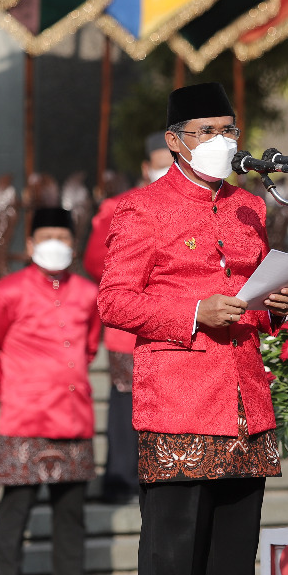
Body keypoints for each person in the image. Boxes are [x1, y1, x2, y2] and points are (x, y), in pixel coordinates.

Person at [98, 83, 288, 575]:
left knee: (235, 544)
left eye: (229, 129)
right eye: (207, 131)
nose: (222, 142)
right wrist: (192, 311)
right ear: (175, 141)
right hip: (180, 395)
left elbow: (248, 292)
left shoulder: (248, 208)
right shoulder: (140, 210)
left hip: (245, 394)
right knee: (174, 547)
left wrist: (274, 305)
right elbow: (114, 300)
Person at [0, 206, 111, 575]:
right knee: (15, 512)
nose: (56, 245)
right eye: (47, 237)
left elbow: (88, 348)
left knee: (72, 515)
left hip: (73, 415)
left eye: (64, 238)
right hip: (25, 419)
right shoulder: (5, 292)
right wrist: (9, 391)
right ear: (29, 244)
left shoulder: (88, 294)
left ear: (75, 244)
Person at [82, 131, 171, 505]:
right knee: (125, 403)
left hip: (174, 325)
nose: (167, 171)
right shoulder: (120, 206)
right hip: (129, 329)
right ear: (145, 167)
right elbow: (94, 261)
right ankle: (119, 477)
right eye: (160, 164)